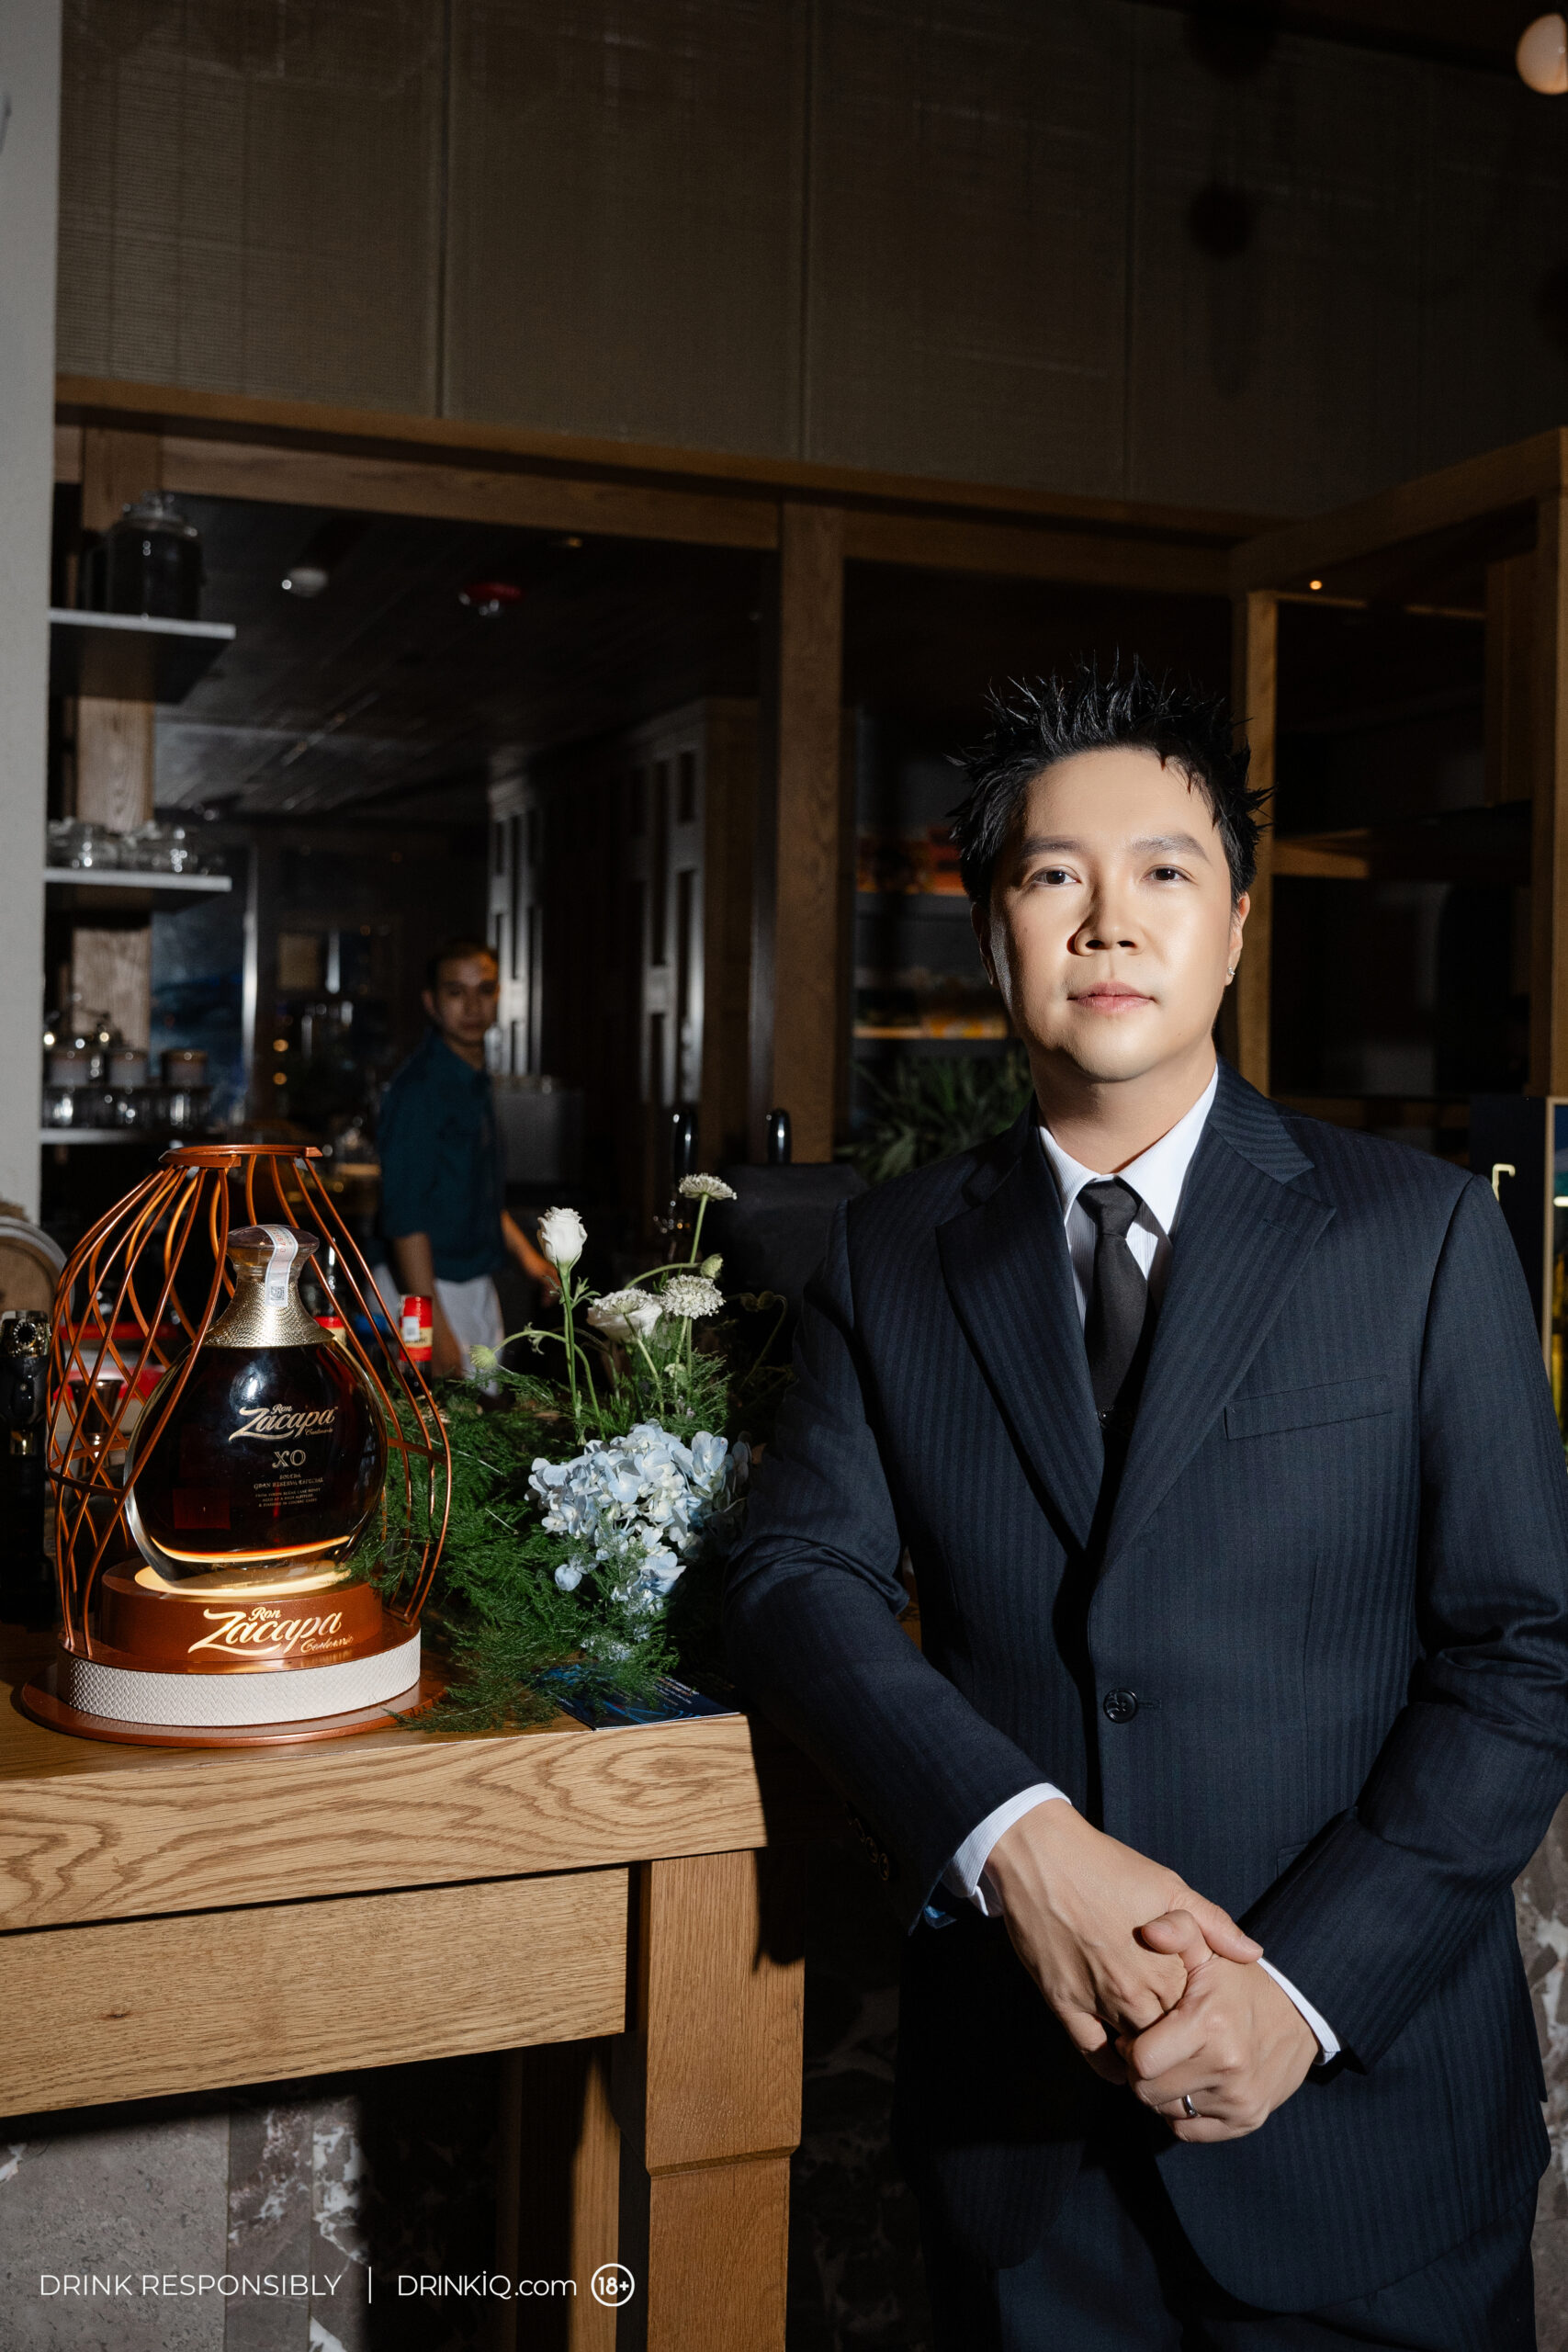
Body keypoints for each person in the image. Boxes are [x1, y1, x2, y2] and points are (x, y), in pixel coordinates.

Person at [724, 664, 1568, 2348]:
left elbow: (1522, 1656)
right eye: (1052, 875)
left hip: (1364, 2140)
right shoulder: (891, 1253)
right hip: (1027, 2157)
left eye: (1163, 872)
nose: (1107, 919)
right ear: (992, 935)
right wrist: (1014, 1840)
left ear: (1236, 927)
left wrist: (1299, 1997)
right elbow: (790, 1575)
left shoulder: (1413, 1236)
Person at [374, 938, 554, 1376]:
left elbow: (475, 1192)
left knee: (483, 1403)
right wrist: (433, 1332)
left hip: (471, 1282)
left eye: (485, 990)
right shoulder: (421, 1090)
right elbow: (406, 1218)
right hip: (424, 1288)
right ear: (432, 1003)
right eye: (456, 992)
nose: (472, 1006)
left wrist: (531, 1260)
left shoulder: (472, 1077)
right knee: (444, 1411)